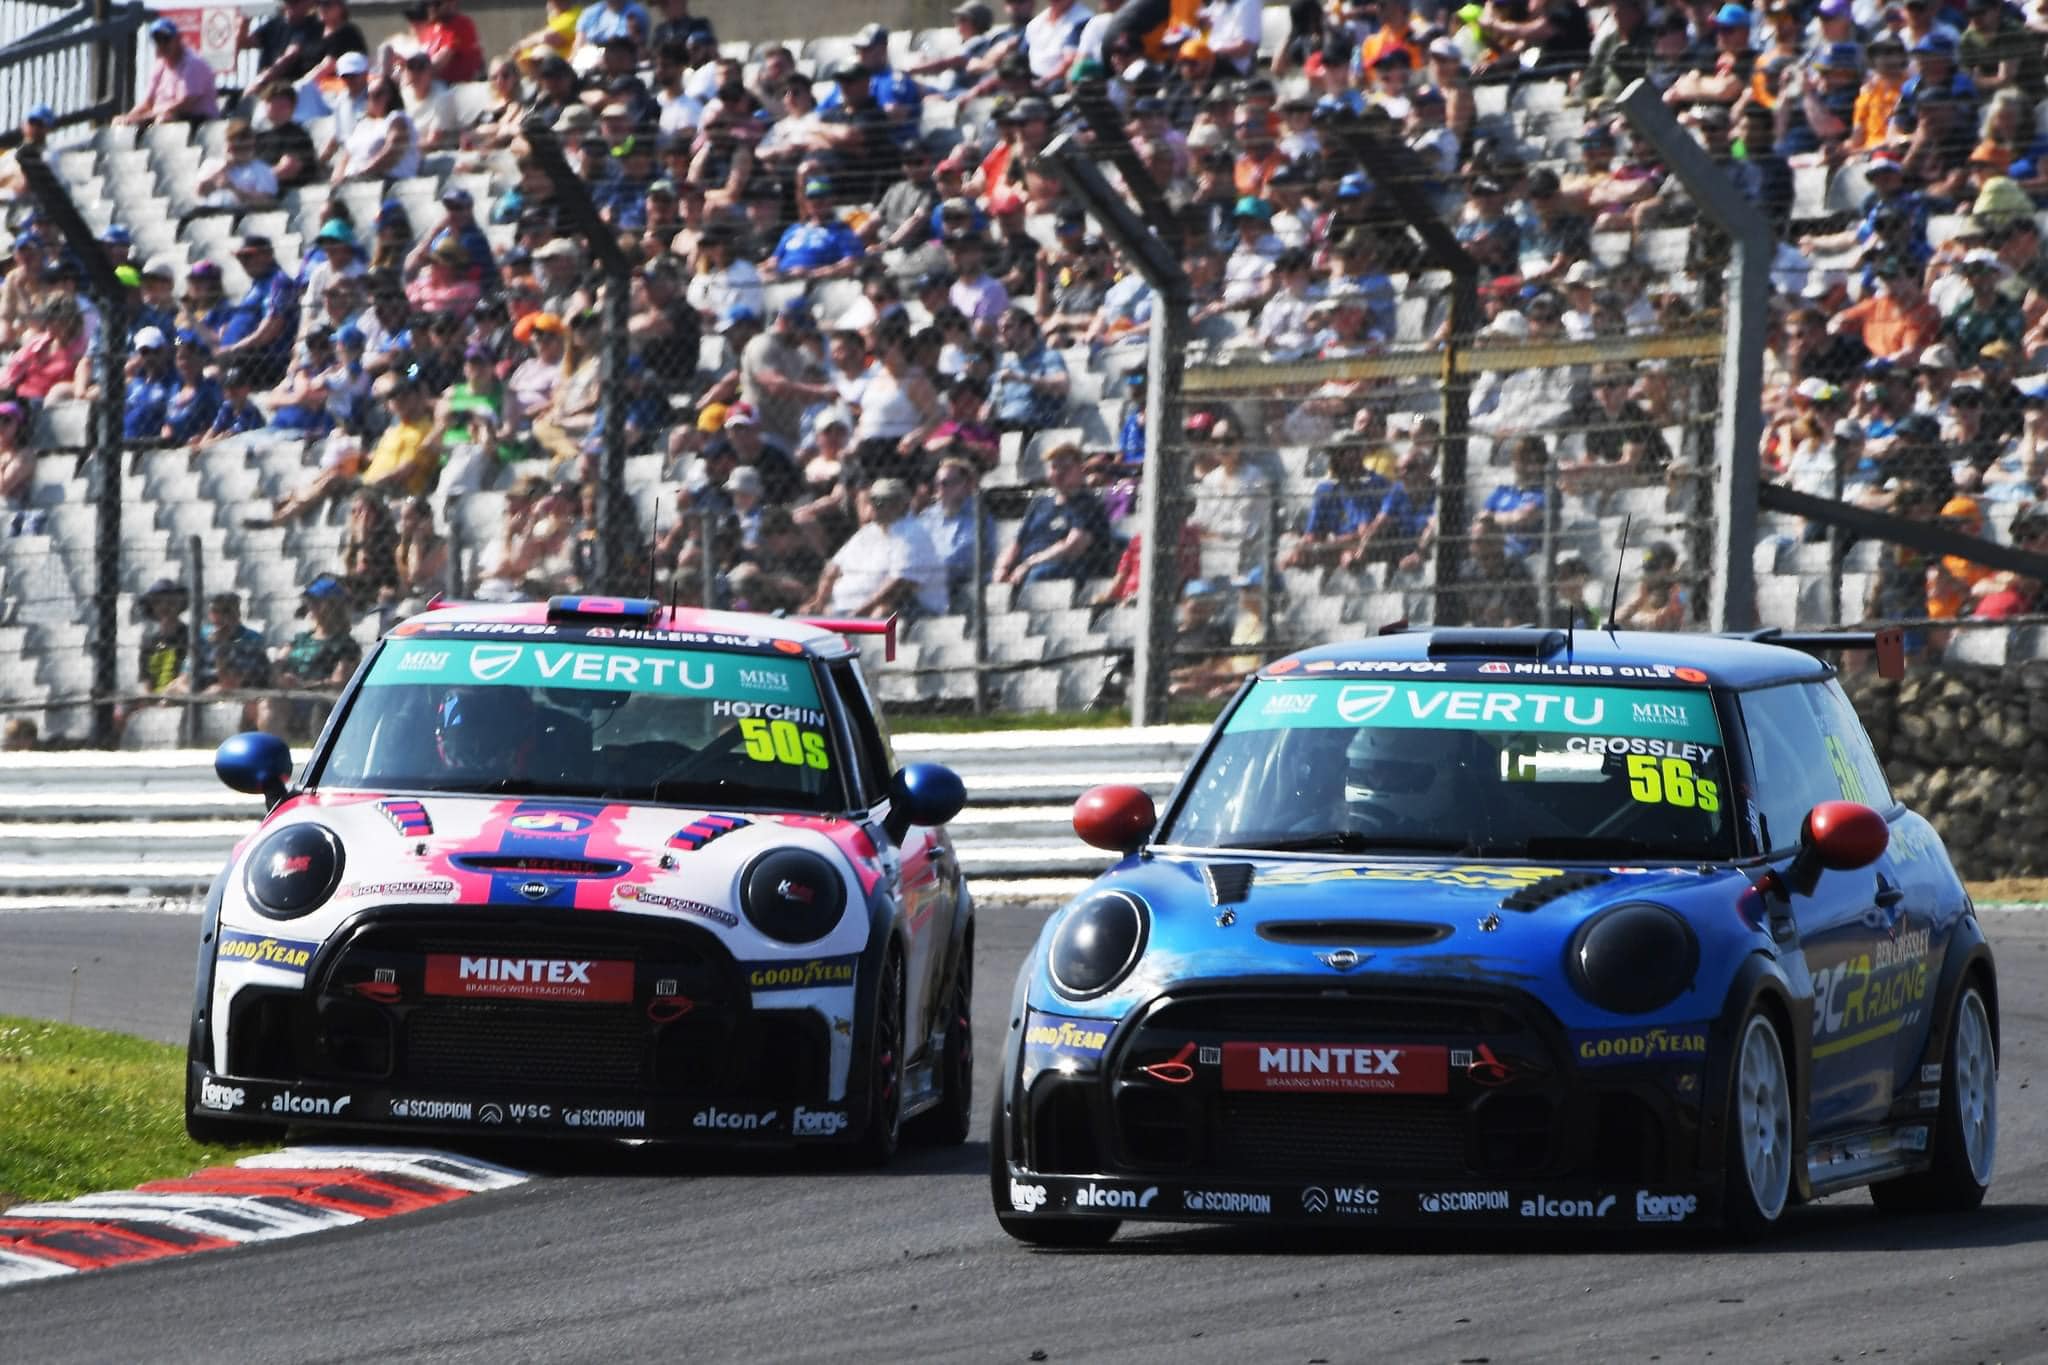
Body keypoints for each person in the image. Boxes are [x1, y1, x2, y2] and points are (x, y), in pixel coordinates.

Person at [804, 478, 949, 617]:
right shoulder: (868, 531)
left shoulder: (914, 533)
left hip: (908, 607)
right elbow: (833, 567)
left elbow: (900, 585)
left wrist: (858, 614)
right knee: (807, 612)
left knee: (883, 611)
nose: (875, 506)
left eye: (882, 502)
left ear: (902, 505)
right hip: (847, 607)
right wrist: (819, 602)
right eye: (872, 500)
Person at [256, 573, 364, 737]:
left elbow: (339, 681)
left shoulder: (345, 644)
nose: (311, 606)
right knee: (268, 704)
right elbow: (278, 662)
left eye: (317, 601)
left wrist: (302, 684)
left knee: (318, 708)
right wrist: (280, 677)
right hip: (291, 696)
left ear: (333, 605)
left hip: (321, 699)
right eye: (310, 601)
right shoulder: (301, 639)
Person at [997, 441, 1111, 584]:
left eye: (1066, 467)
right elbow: (1017, 542)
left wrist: (1029, 564)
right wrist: (1002, 568)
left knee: (1037, 576)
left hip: (1063, 567)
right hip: (1025, 567)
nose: (1059, 473)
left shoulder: (1088, 504)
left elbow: (1073, 546)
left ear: (1080, 470)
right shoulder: (1039, 503)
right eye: (1054, 467)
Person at [118, 19, 220, 126]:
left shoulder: (193, 64)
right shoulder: (159, 66)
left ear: (178, 39)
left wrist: (149, 116)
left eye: (166, 39)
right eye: (158, 40)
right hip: (163, 117)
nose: (162, 45)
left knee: (164, 120)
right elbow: (148, 102)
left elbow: (186, 104)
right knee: (121, 123)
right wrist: (128, 117)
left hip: (199, 121)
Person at [1615, 541, 1688, 630]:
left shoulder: (1680, 592)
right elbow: (1618, 618)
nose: (1648, 575)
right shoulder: (1646, 589)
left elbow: (1665, 622)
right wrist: (1639, 600)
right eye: (1647, 570)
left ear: (1667, 567)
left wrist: (1634, 621)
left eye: (1653, 569)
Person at [135, 579, 190, 694]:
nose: (164, 606)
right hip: (154, 698)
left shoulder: (189, 636)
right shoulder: (148, 643)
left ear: (180, 603)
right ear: (151, 606)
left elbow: (188, 675)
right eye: (157, 602)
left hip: (179, 693)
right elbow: (145, 683)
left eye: (171, 601)